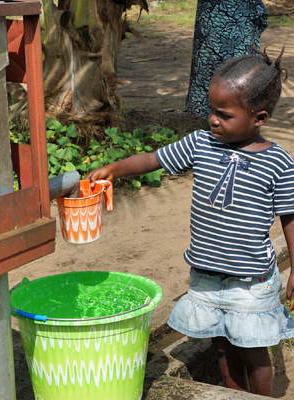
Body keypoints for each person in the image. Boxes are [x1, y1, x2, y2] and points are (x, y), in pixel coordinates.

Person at [86, 48, 294, 396]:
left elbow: (290, 216)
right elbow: (153, 159)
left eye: (224, 115)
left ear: (259, 118)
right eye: (212, 110)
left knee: (254, 352)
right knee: (223, 347)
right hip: (206, 275)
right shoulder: (200, 144)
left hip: (251, 283)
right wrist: (115, 169)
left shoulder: (278, 163)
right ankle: (232, 394)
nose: (213, 120)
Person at [186, 0, 268, 119]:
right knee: (211, 62)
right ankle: (219, 116)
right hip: (215, 13)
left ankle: (242, 117)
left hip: (236, 12)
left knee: (241, 70)